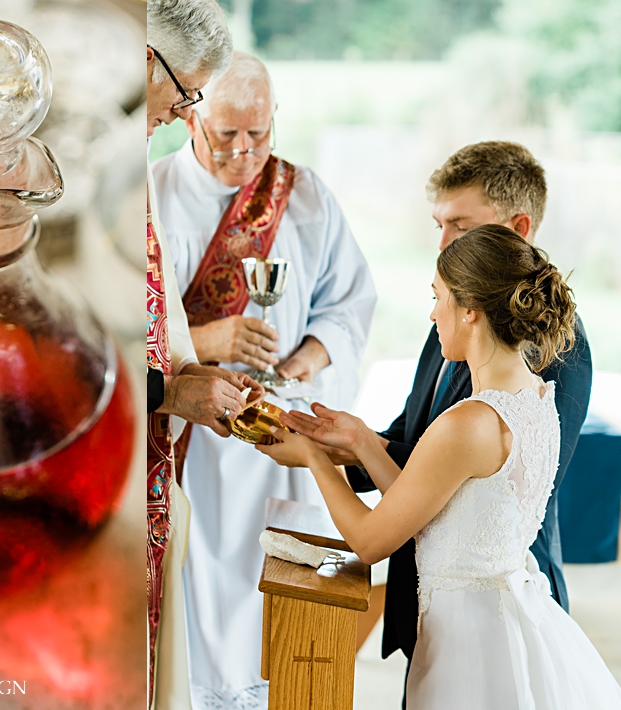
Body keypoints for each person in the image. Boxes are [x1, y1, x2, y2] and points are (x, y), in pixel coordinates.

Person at [259, 225, 621, 709]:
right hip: (509, 618)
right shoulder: (537, 397)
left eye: (439, 298)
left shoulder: (469, 422)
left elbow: (369, 542)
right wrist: (363, 442)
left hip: (470, 642)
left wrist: (311, 459)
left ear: (469, 310)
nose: (433, 314)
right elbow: (436, 508)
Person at [152, 52, 376, 709]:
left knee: (280, 592)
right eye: (227, 135)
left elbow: (349, 302)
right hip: (190, 438)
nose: (245, 152)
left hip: (283, 439)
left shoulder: (302, 195)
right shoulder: (154, 194)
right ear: (191, 118)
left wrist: (307, 355)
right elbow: (132, 317)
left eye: (259, 133)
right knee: (201, 590)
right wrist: (207, 342)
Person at [145, 3, 262, 708]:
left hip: (154, 455)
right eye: (183, 92)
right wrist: (166, 390)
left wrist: (185, 370)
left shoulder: (302, 192)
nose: (179, 110)